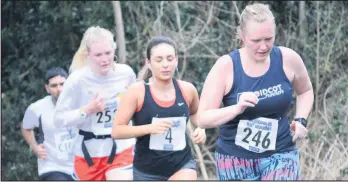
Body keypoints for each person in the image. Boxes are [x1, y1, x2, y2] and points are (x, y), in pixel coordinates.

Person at [197, 3, 314, 180]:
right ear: (242, 36)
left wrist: (300, 119)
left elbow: (305, 91)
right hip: (234, 159)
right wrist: (236, 109)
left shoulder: (288, 59)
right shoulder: (226, 66)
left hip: (281, 153)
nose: (263, 46)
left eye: (269, 39)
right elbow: (203, 118)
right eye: (256, 41)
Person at [111, 36, 207, 180]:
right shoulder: (136, 92)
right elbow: (117, 131)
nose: (165, 64)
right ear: (148, 63)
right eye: (159, 59)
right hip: (147, 171)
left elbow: (196, 115)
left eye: (170, 59)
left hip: (182, 165)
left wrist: (201, 129)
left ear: (176, 61)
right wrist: (150, 128)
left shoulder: (188, 90)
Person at [53, 26, 136, 180]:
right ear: (88, 54)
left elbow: (137, 107)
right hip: (88, 154)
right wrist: (87, 110)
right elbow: (59, 119)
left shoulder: (126, 73)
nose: (104, 59)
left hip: (121, 148)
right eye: (98, 55)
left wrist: (131, 102)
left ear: (114, 50)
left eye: (108, 53)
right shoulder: (77, 80)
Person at [21, 67, 77, 180]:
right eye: (54, 85)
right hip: (52, 167)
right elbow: (25, 127)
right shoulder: (37, 108)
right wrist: (35, 147)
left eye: (62, 84)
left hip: (80, 165)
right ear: (47, 88)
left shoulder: (79, 103)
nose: (59, 89)